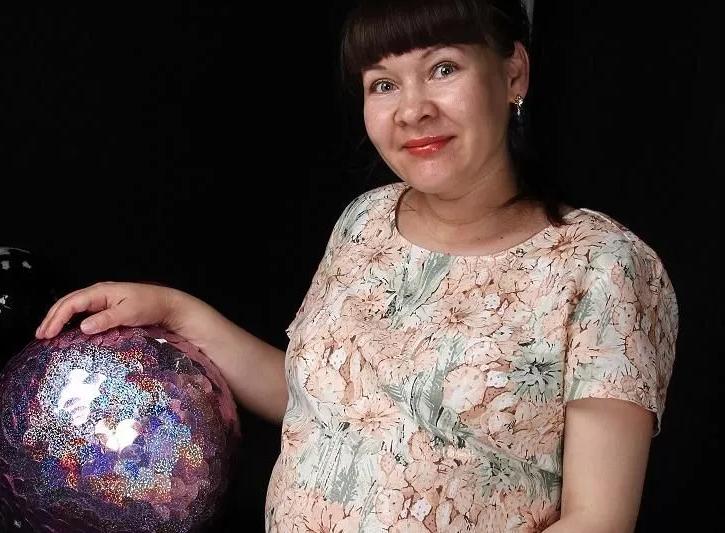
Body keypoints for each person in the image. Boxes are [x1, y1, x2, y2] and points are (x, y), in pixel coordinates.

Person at [35, 0, 679, 531]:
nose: (413, 109)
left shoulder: (602, 267)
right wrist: (177, 312)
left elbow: (598, 518)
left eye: (444, 68)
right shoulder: (366, 219)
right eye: (383, 84)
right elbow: (322, 405)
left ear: (514, 74)